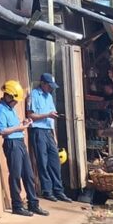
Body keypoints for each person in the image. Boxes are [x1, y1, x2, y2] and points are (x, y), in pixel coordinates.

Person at [0, 80, 47, 218]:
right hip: (12, 143)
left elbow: (14, 126)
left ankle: (33, 203)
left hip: (19, 141)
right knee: (16, 174)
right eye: (15, 100)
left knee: (28, 174)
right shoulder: (0, 109)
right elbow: (2, 131)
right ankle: (17, 205)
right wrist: (19, 127)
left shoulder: (10, 108)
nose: (16, 103)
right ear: (9, 96)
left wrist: (22, 123)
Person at [27, 72, 68, 201]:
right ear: (43, 83)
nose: (51, 88)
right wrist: (46, 115)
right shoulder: (34, 95)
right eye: (49, 86)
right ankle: (47, 190)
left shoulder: (49, 96)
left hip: (49, 131)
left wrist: (54, 134)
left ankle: (58, 190)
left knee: (55, 161)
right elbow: (30, 115)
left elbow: (52, 117)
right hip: (38, 131)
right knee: (43, 162)